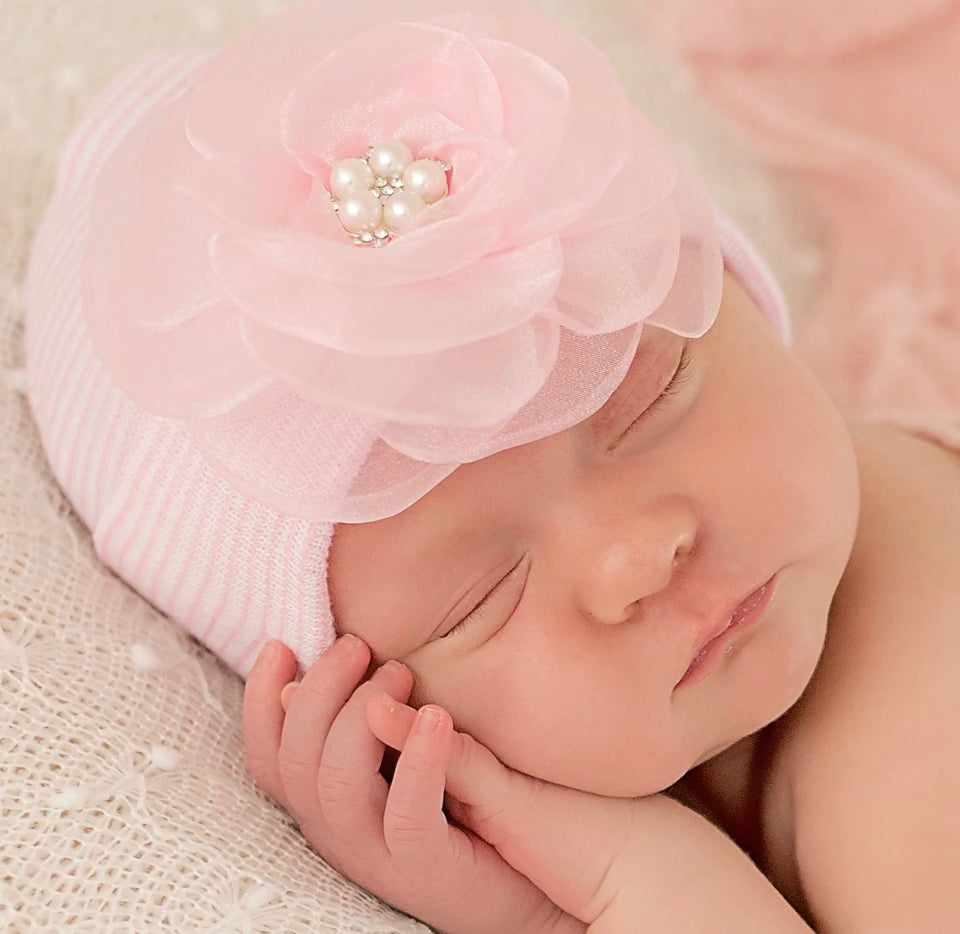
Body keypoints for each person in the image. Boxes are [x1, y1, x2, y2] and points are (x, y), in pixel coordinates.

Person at [23, 0, 960, 931]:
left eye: (650, 399)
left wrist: (637, 888)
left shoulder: (915, 675)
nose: (637, 557)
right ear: (382, 718)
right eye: (487, 593)